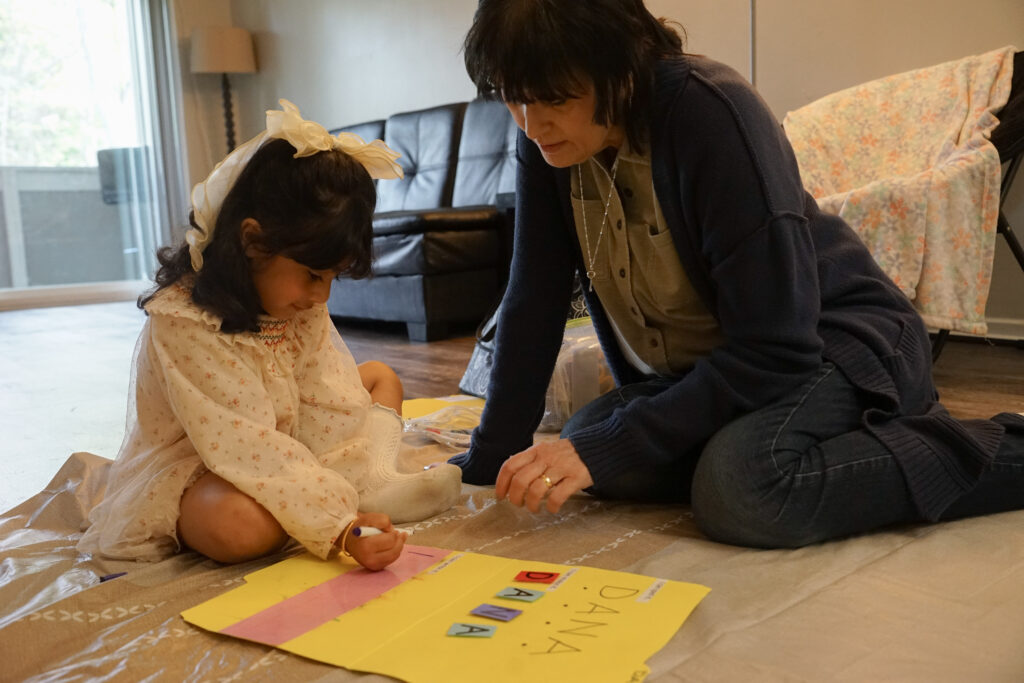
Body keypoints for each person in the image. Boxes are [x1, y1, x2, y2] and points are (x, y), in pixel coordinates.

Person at [450, 0, 1024, 548]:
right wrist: (490, 454)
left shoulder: (710, 111)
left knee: (742, 491)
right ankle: (808, 445)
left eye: (552, 99)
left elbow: (777, 348)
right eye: (512, 98)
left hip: (838, 348)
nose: (530, 125)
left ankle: (991, 448)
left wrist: (636, 440)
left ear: (618, 69)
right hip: (720, 369)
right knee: (588, 447)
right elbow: (533, 299)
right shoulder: (548, 140)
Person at [78, 101, 462, 569]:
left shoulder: (295, 301)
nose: (320, 297)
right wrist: (337, 525)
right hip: (204, 462)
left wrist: (345, 481)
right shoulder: (185, 323)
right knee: (243, 528)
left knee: (380, 376)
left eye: (332, 278)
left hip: (288, 436)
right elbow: (247, 448)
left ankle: (373, 479)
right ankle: (344, 493)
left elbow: (330, 396)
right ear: (252, 241)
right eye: (311, 275)